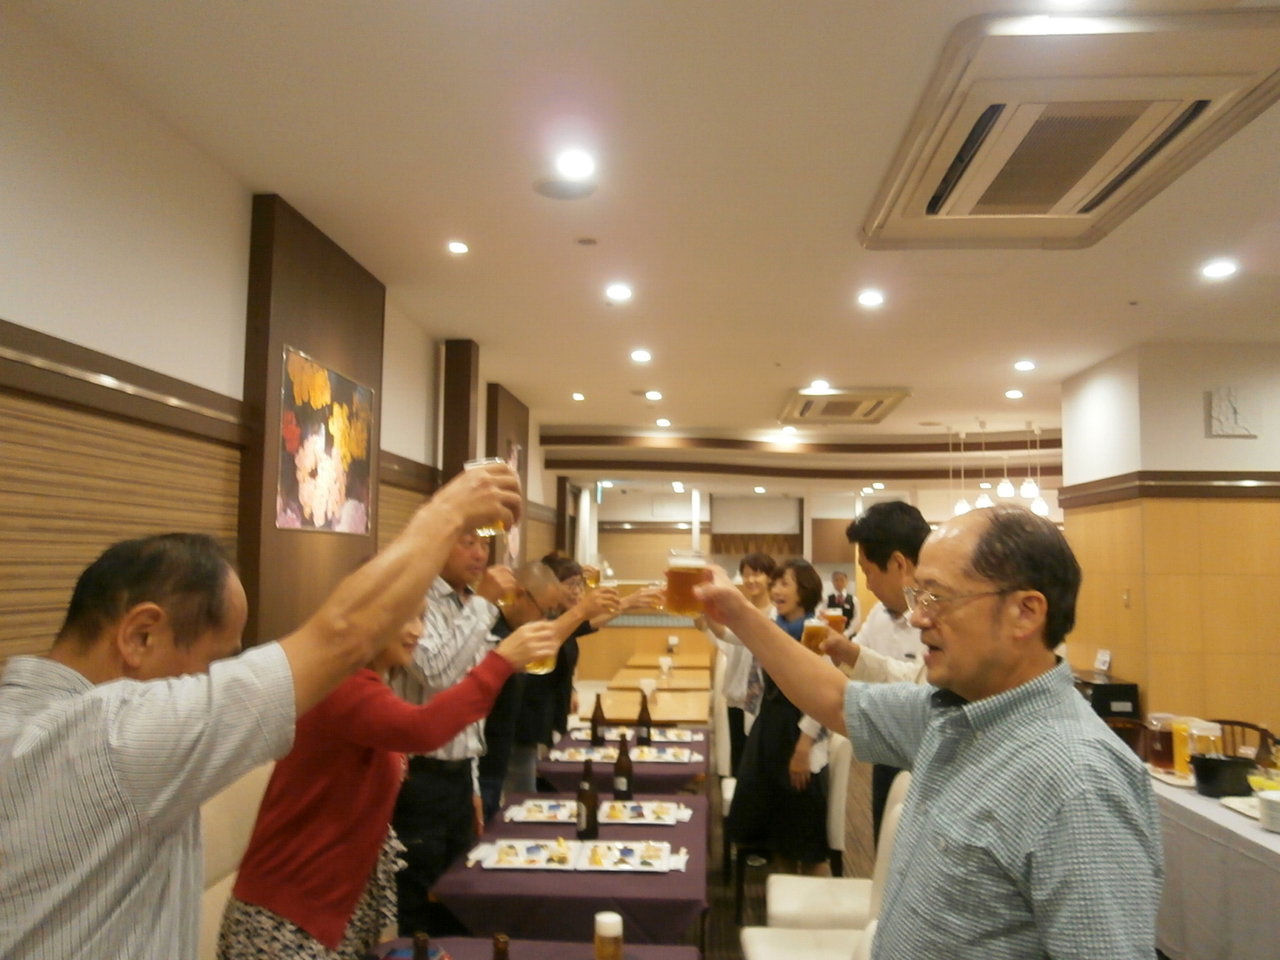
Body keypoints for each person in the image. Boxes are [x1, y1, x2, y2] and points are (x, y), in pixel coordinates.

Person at [0, 462, 521, 960]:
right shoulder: (113, 736)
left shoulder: (23, 720)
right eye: (215, 662)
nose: (213, 681)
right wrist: (447, 513)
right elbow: (343, 637)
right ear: (141, 636)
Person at [696, 505, 1163, 959]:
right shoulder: (953, 714)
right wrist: (737, 613)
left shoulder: (1078, 780)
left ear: (1025, 612)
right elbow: (836, 699)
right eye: (918, 597)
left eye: (937, 598)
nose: (918, 617)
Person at [218, 602, 559, 959]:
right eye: (404, 616)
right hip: (289, 911)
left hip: (333, 904)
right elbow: (423, 729)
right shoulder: (344, 685)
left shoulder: (370, 685)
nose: (417, 631)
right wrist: (499, 662)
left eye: (421, 617)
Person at [388, 531, 514, 936]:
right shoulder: (414, 599)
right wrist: (485, 604)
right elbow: (437, 675)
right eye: (467, 542)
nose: (479, 554)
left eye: (484, 545)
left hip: (459, 776)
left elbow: (468, 702)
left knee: (460, 900)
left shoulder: (469, 601)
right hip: (418, 779)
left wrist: (473, 782)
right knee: (417, 902)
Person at [824, 501, 930, 842]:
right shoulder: (880, 615)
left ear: (898, 564)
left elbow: (921, 689)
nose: (867, 585)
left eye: (868, 572)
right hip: (890, 745)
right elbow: (906, 678)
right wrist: (845, 651)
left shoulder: (940, 616)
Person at [479, 561, 617, 818]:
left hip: (511, 740)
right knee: (516, 808)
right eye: (544, 611)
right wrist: (580, 611)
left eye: (551, 613)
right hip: (488, 750)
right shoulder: (490, 628)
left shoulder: (518, 624)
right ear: (521, 595)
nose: (545, 620)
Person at [726, 558, 830, 875]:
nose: (776, 590)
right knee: (776, 836)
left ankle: (816, 906)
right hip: (769, 732)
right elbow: (734, 636)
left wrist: (803, 748)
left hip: (799, 736)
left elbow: (824, 697)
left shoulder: (817, 632)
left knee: (806, 840)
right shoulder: (774, 628)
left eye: (785, 584)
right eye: (775, 584)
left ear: (805, 590)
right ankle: (784, 897)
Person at [698, 552, 775, 774]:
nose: (750, 580)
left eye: (757, 574)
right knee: (739, 762)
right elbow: (724, 639)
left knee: (758, 764)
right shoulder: (739, 611)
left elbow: (726, 634)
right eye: (746, 575)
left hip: (761, 701)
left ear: (770, 577)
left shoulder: (774, 615)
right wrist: (703, 610)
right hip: (736, 695)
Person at [825, 569, 860, 636]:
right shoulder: (826, 600)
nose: (839, 582)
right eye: (836, 580)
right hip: (831, 635)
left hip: (849, 636)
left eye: (842, 580)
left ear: (846, 581)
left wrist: (846, 634)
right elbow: (823, 618)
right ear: (832, 582)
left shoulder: (854, 600)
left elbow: (857, 619)